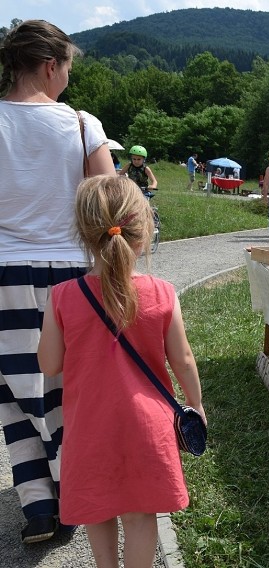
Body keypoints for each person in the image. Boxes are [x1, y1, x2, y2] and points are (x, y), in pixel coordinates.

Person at [37, 174, 206, 568]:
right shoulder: (162, 292)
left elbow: (49, 365)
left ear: (83, 232)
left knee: (98, 510)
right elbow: (182, 359)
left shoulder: (62, 296)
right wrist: (196, 403)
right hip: (148, 427)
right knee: (140, 515)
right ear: (144, 230)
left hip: (90, 426)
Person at [0, 19, 116, 544]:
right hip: (72, 275)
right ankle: (75, 495)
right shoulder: (81, 126)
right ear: (51, 65)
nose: (67, 76)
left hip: (3, 274)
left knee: (14, 395)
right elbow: (110, 205)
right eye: (67, 66)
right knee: (71, 392)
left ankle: (39, 510)